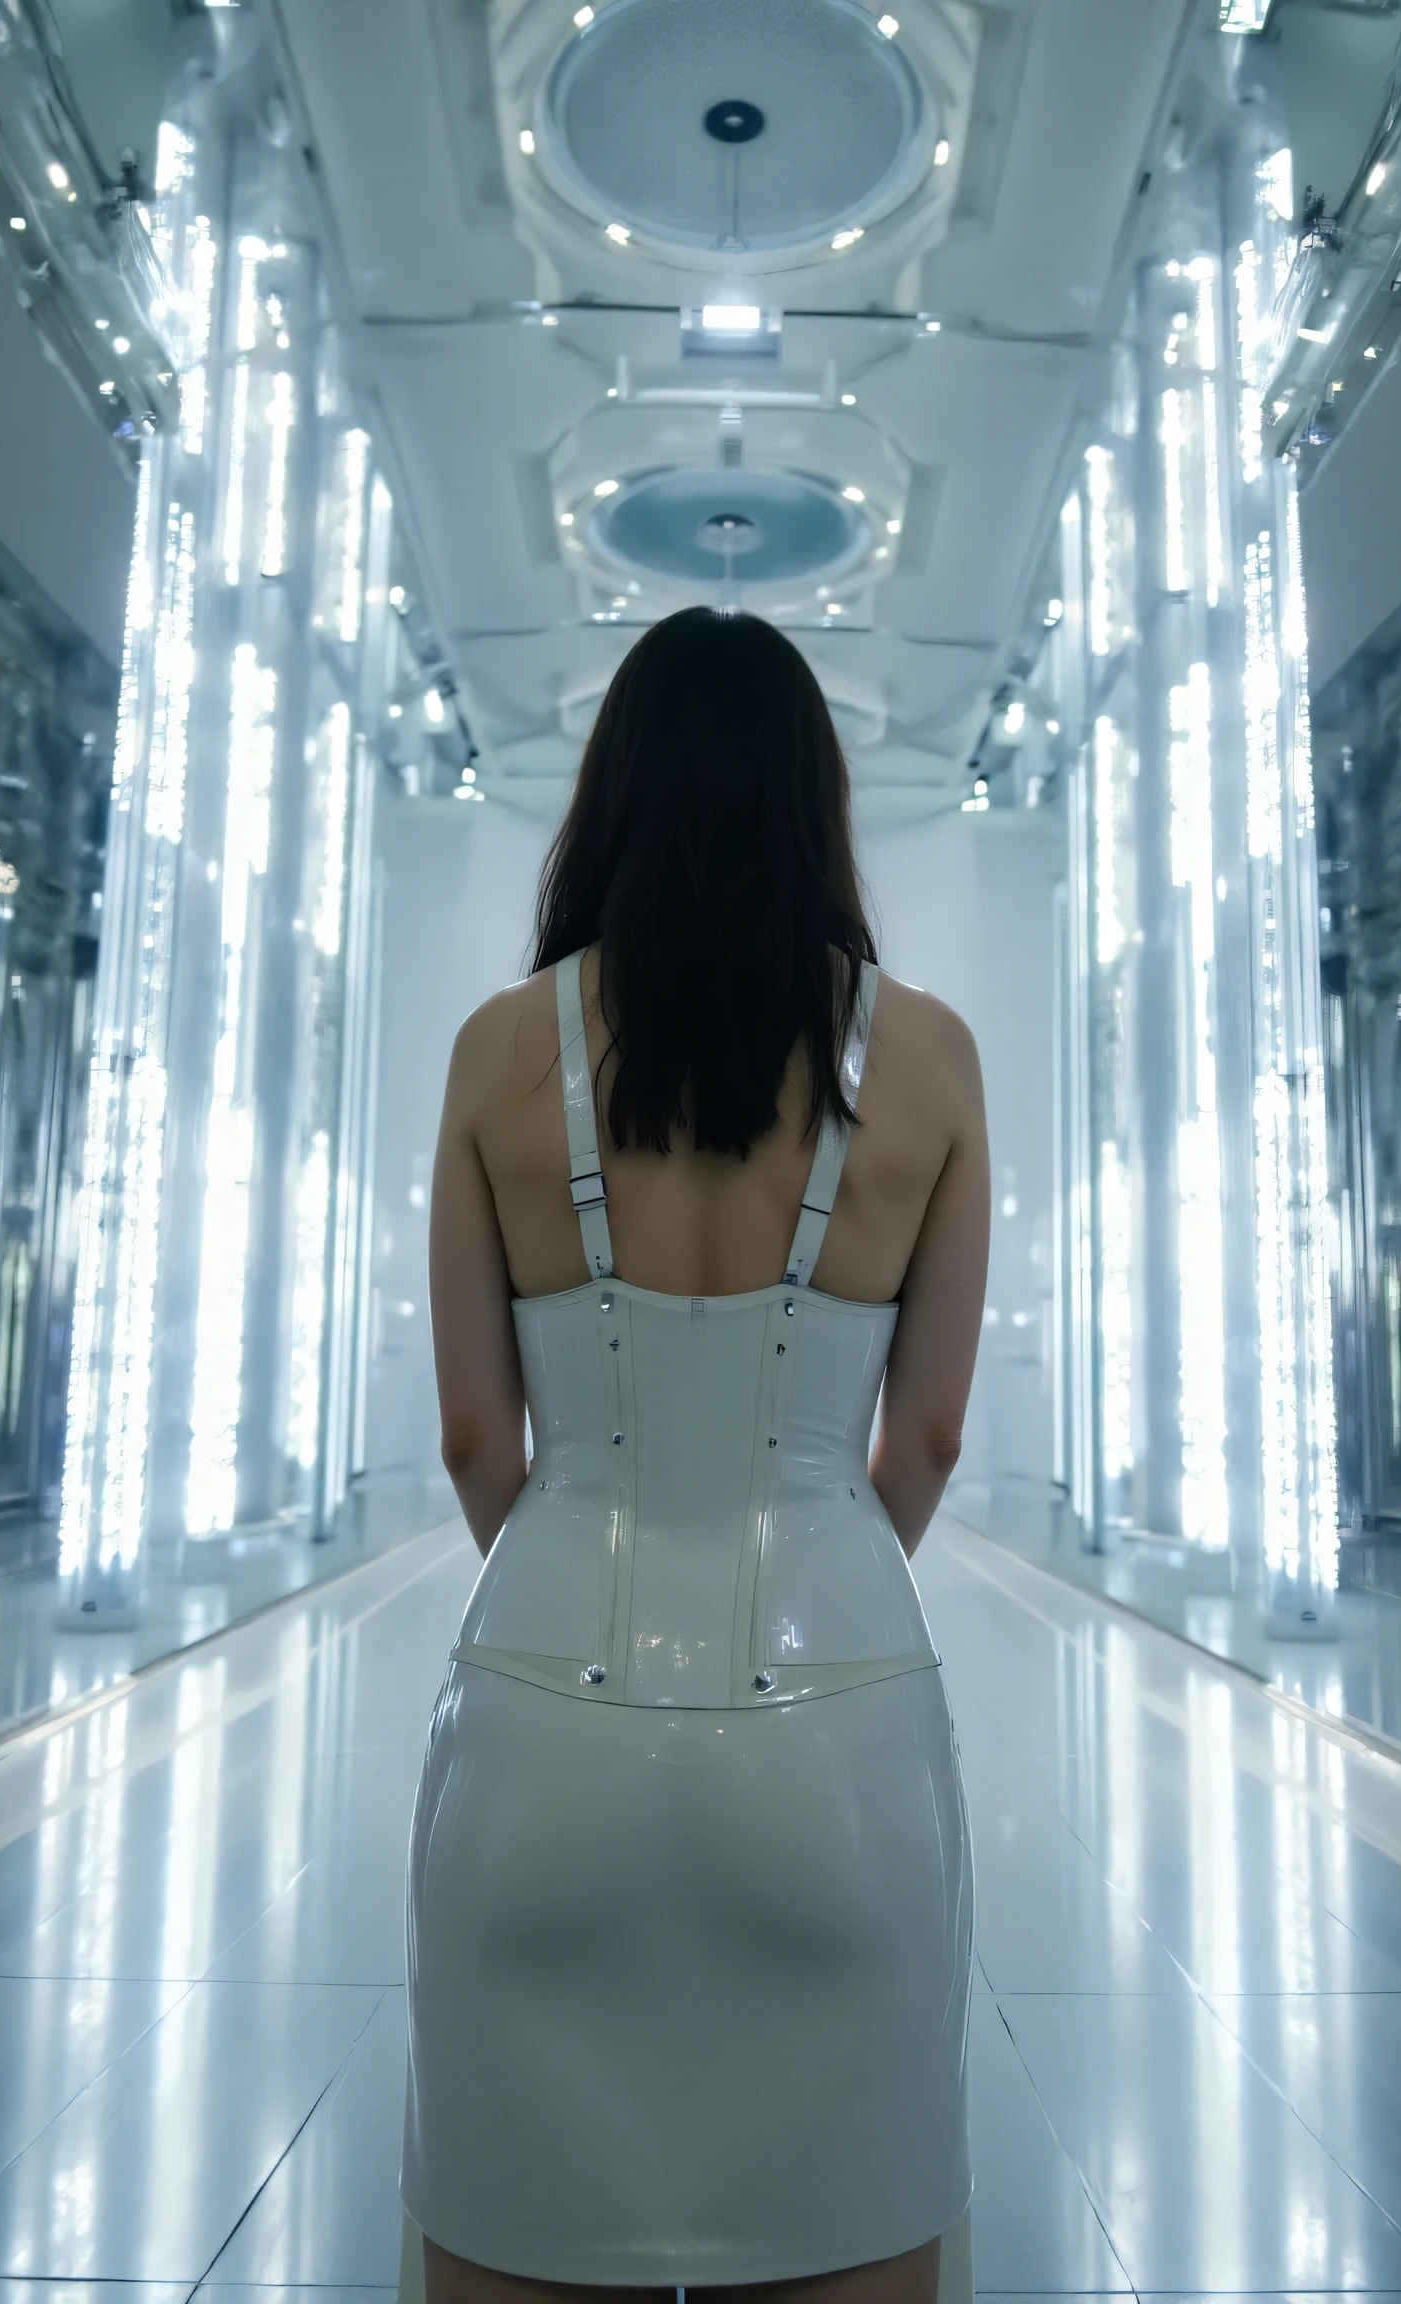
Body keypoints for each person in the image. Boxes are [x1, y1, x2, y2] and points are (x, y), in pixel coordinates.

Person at [404, 607, 988, 2303]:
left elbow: (467, 1436)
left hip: (535, 1736)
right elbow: (932, 1432)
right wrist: (821, 1577)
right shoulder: (935, 1058)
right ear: (818, 805)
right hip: (843, 1735)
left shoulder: (499, 1054)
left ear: (613, 796)